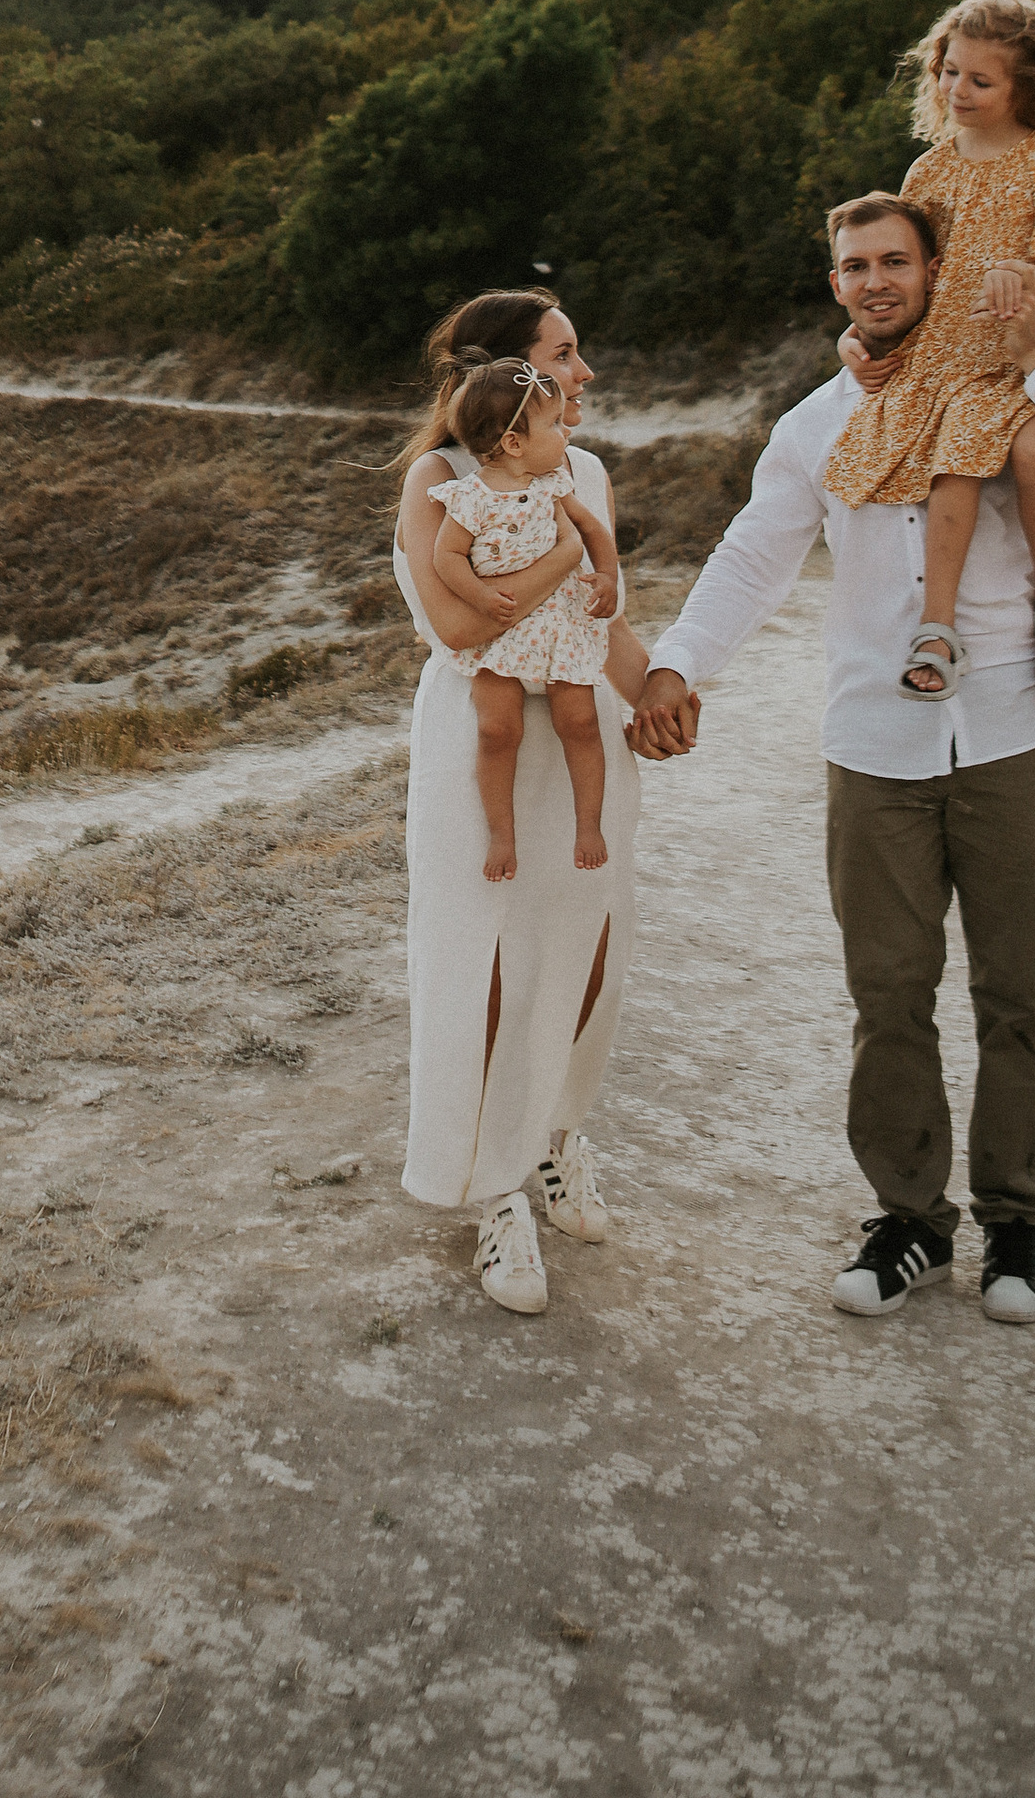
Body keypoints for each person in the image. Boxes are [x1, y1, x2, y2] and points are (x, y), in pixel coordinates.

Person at [629, 192, 1035, 1328]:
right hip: (874, 749)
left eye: (894, 262)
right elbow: (752, 556)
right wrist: (678, 662)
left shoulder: (1012, 393)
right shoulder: (814, 424)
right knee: (887, 996)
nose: (874, 281)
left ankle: (1018, 1223)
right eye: (853, 266)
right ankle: (910, 1220)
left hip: (1016, 732)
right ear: (834, 286)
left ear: (934, 269)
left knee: (1020, 996)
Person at [394, 288, 662, 1316]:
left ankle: (554, 1141)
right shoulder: (437, 480)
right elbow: (460, 632)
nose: (584, 376)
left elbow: (604, 616)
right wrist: (562, 556)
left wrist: (660, 695)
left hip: (581, 718)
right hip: (483, 742)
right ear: (511, 383)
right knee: (486, 960)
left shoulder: (581, 466)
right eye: (564, 358)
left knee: (590, 946)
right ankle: (488, 1188)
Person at [825, 0, 1035, 704]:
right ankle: (938, 625)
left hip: (1031, 341)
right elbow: (904, 274)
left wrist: (1028, 279)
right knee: (956, 447)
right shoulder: (929, 172)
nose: (957, 91)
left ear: (1026, 88)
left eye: (980, 81)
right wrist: (855, 336)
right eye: (949, 73)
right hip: (951, 342)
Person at [418, 352, 643, 878]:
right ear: (514, 443)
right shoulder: (467, 498)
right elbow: (445, 557)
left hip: (561, 623)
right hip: (503, 632)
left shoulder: (554, 486)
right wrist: (477, 596)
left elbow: (593, 534)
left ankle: (588, 825)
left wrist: (607, 576)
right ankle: (502, 836)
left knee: (581, 722)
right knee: (498, 730)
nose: (566, 435)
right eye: (555, 425)